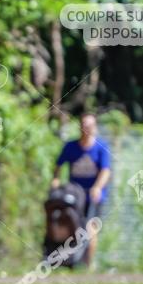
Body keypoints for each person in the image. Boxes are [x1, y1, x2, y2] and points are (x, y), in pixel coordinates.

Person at [50, 112, 111, 266]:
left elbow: (106, 171)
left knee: (91, 229)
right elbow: (58, 165)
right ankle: (69, 263)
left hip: (94, 196)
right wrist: (56, 180)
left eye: (89, 125)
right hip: (75, 196)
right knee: (72, 227)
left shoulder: (101, 148)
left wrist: (97, 187)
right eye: (84, 125)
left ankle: (87, 266)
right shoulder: (71, 147)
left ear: (94, 128)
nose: (86, 129)